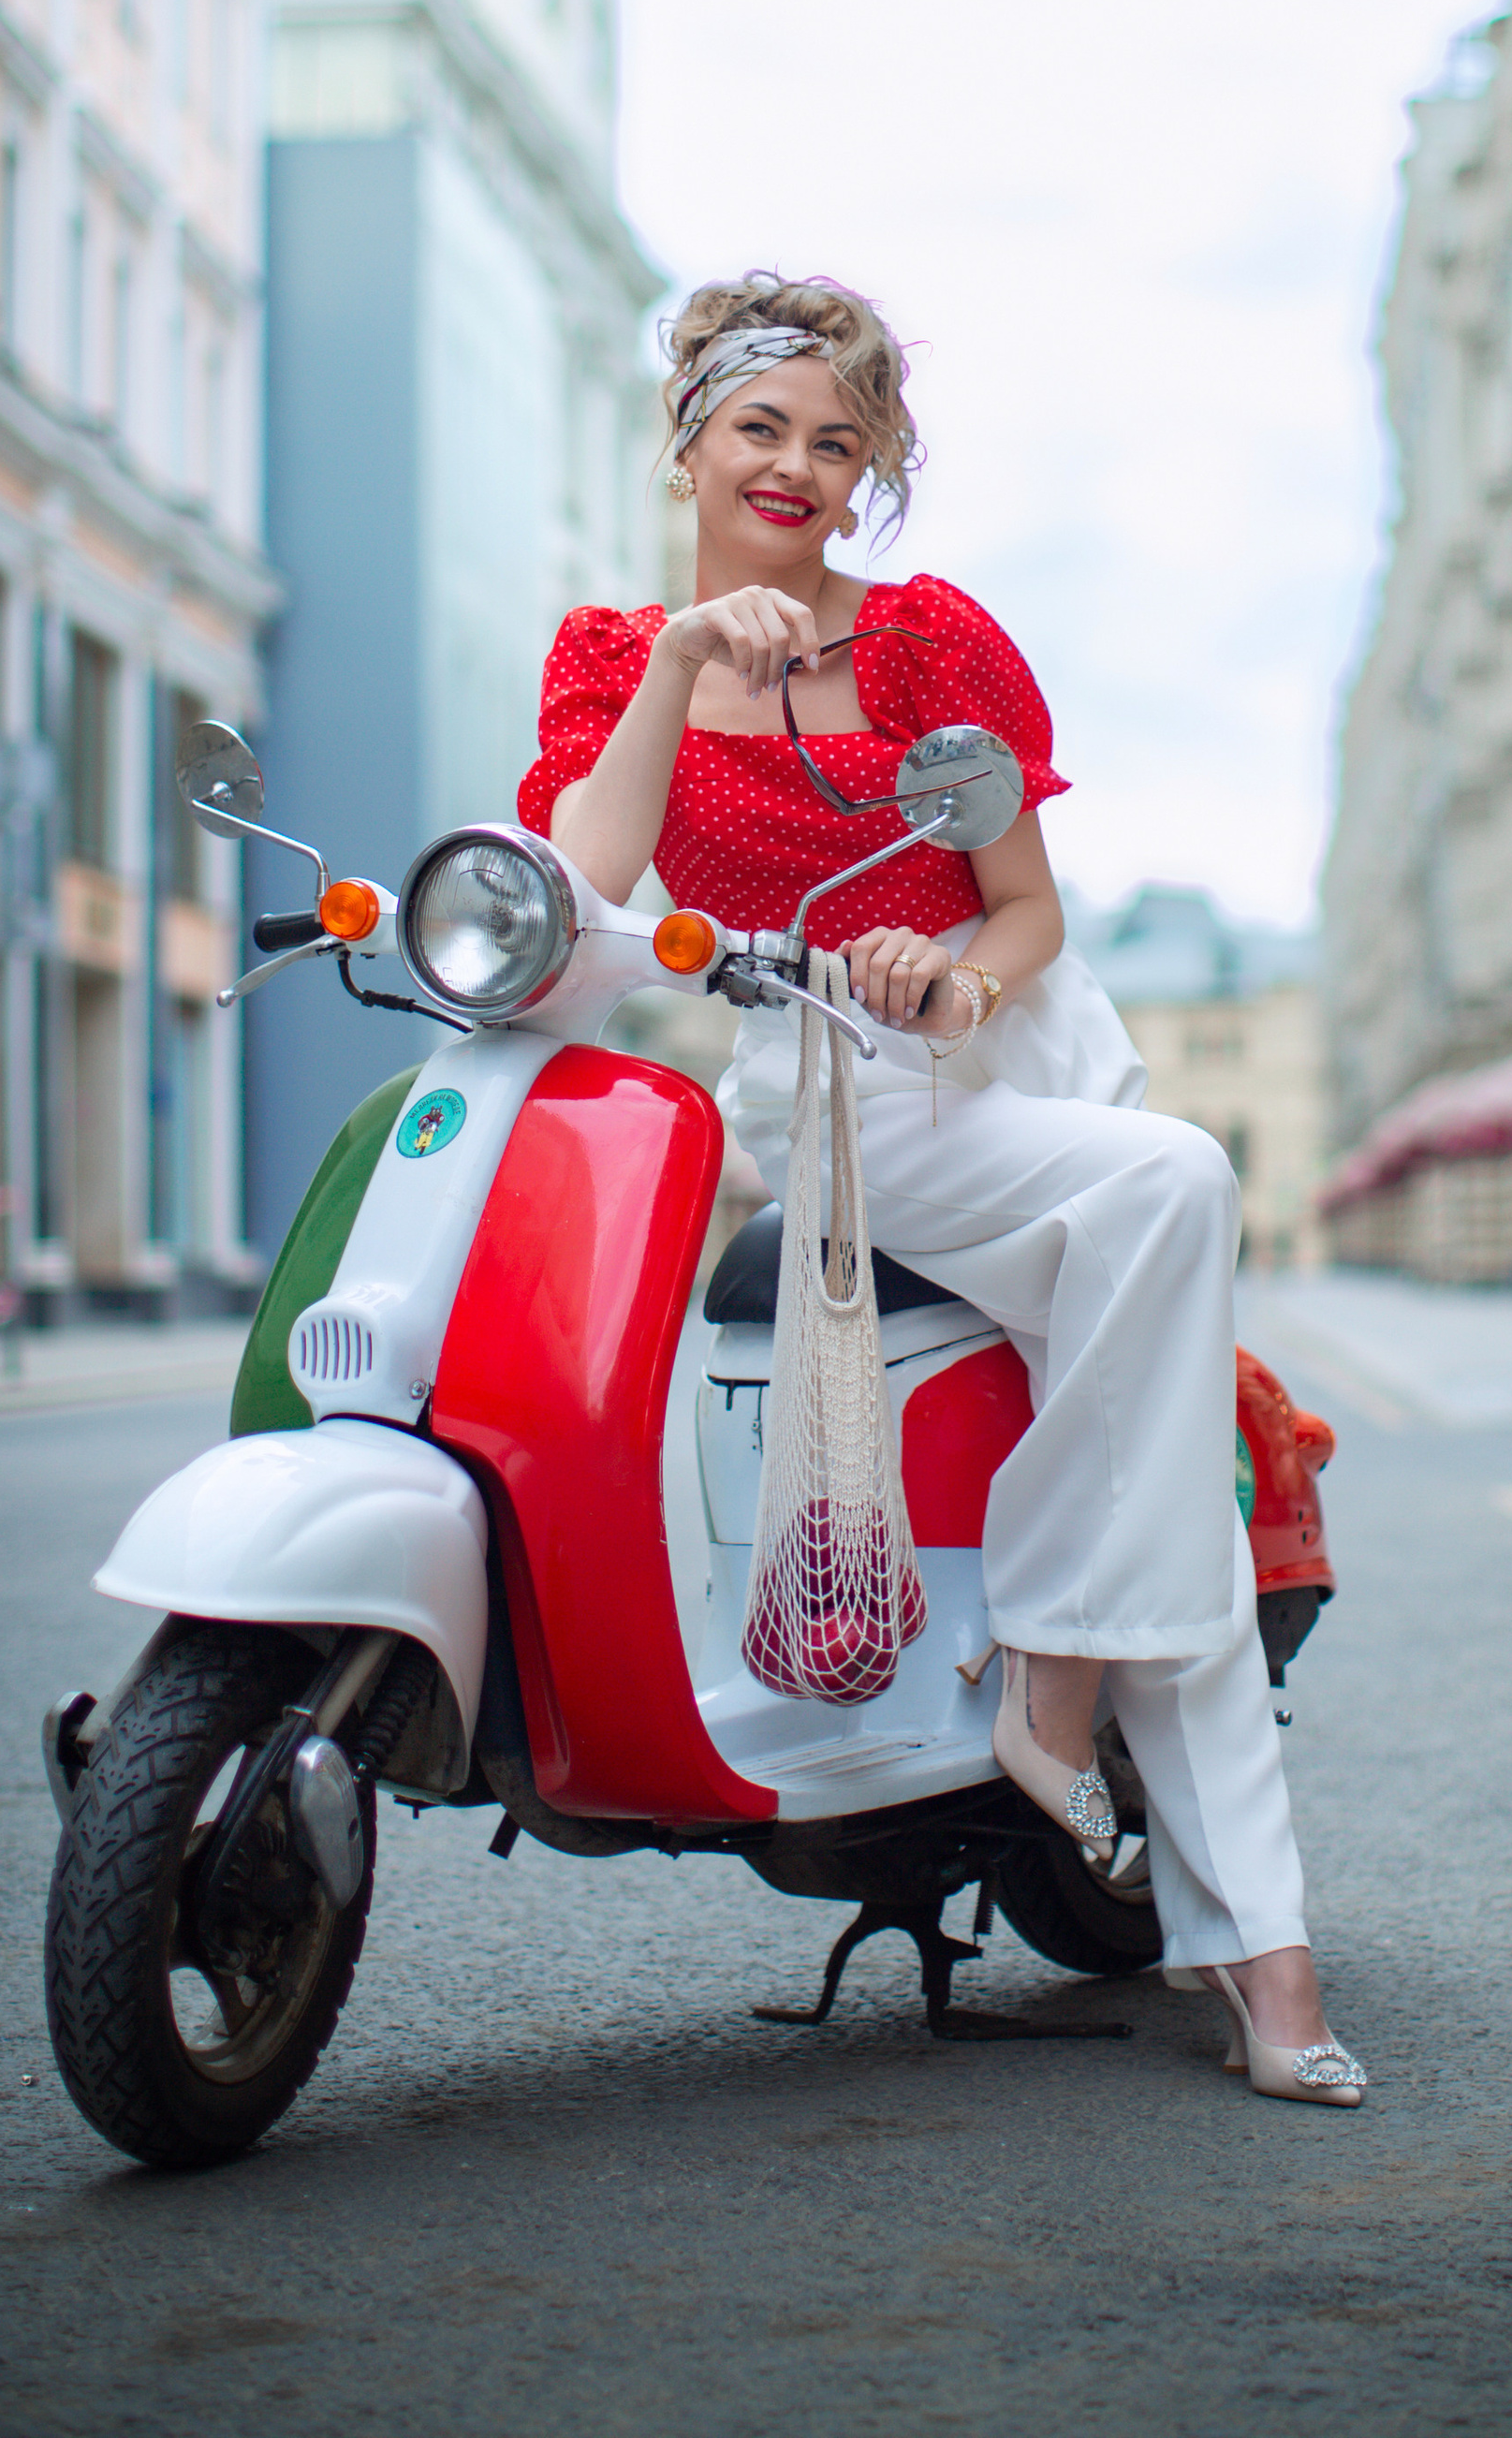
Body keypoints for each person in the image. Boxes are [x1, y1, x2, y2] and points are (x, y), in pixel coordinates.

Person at [518, 271, 1364, 2108]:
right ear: (687, 443)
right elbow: (585, 883)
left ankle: (1147, 1801)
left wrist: (961, 979)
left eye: (839, 442)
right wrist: (678, 665)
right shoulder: (609, 653)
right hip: (825, 1094)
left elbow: (1025, 904)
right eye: (760, 428)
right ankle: (1187, 1865)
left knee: (1165, 1396)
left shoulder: (924, 642)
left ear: (872, 471)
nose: (796, 467)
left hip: (1008, 1063)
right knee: (1169, 1208)